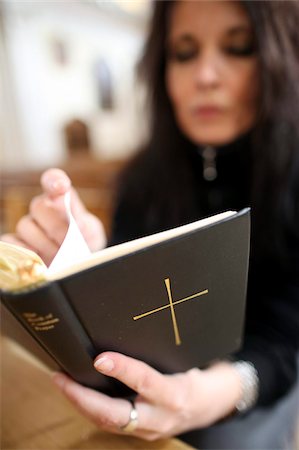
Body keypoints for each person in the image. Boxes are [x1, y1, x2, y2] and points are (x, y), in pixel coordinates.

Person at [2, 1, 299, 448]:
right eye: (184, 52)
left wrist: (217, 392)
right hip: (159, 373)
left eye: (238, 48)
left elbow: (288, 336)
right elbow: (136, 312)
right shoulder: (142, 178)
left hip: (260, 373)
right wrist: (84, 260)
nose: (205, 76)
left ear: (278, 58)